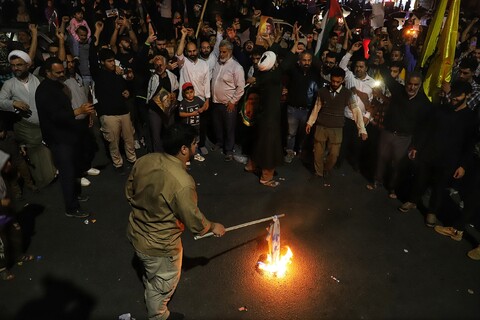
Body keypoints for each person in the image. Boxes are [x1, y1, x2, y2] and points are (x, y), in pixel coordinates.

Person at [126, 123, 226, 320]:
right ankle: (159, 315)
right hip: (160, 245)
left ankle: (151, 283)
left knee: (152, 273)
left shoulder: (145, 160)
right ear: (183, 148)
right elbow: (193, 219)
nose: (195, 147)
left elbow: (130, 191)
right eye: (194, 144)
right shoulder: (182, 182)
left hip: (136, 231)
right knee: (163, 284)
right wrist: (213, 226)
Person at [398, 82, 478, 227]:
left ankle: (432, 212)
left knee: (439, 187)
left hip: (449, 160)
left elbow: (469, 144)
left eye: (458, 96)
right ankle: (413, 201)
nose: (454, 98)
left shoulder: (470, 118)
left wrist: (462, 165)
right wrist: (417, 146)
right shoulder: (441, 109)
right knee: (420, 179)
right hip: (429, 153)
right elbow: (426, 129)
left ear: (468, 96)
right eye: (453, 94)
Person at [36, 57, 95, 218]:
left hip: (67, 135)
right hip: (58, 139)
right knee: (67, 172)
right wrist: (77, 111)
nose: (62, 74)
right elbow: (55, 116)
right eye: (58, 72)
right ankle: (71, 207)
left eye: (62, 71)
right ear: (48, 73)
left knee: (72, 168)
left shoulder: (56, 85)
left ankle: (75, 195)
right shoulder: (45, 91)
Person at [0, 50, 57, 188]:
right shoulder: (9, 84)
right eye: (13, 65)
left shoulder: (39, 79)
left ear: (28, 65)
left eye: (19, 65)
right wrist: (13, 103)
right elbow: (0, 101)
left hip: (45, 124)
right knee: (37, 155)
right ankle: (43, 181)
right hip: (27, 126)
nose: (16, 68)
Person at [306, 67, 367, 183]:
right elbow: (316, 108)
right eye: (333, 81)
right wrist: (310, 122)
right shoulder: (322, 91)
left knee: (334, 154)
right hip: (322, 125)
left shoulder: (347, 93)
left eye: (337, 82)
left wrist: (362, 129)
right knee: (318, 152)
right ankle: (318, 173)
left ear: (343, 80)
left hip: (337, 127)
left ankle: (327, 169)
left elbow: (356, 111)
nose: (334, 84)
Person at [94, 48, 137, 173]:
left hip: (123, 111)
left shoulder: (118, 74)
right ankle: (118, 164)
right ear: (102, 62)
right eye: (109, 61)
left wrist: (127, 92)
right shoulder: (99, 75)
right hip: (109, 114)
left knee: (129, 138)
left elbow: (126, 87)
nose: (112, 63)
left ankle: (132, 159)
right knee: (113, 142)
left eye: (113, 61)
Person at [0, 150, 34, 281]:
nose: (8, 164)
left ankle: (18, 254)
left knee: (15, 232)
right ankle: (2, 269)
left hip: (6, 211)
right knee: (1, 244)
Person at [211, 40, 245, 161]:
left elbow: (241, 88)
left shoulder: (236, 67)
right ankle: (219, 142)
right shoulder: (218, 64)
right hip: (216, 103)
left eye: (224, 52)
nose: (221, 54)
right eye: (220, 52)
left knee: (229, 128)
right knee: (217, 125)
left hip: (228, 104)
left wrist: (233, 101)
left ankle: (229, 150)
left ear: (230, 52)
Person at [146, 54, 179, 152]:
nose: (159, 67)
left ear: (165, 65)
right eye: (157, 65)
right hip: (155, 110)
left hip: (167, 108)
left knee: (169, 132)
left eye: (161, 65)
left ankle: (170, 153)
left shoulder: (171, 76)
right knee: (156, 135)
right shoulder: (152, 75)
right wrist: (151, 61)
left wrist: (174, 94)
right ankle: (158, 155)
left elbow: (176, 88)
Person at [178, 82, 205, 161]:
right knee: (187, 142)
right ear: (184, 94)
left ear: (194, 91)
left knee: (196, 141)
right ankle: (186, 157)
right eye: (187, 93)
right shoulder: (183, 102)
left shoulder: (197, 99)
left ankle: (195, 154)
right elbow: (180, 114)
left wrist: (201, 109)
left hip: (196, 126)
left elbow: (204, 105)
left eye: (191, 92)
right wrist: (191, 114)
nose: (190, 95)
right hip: (187, 128)